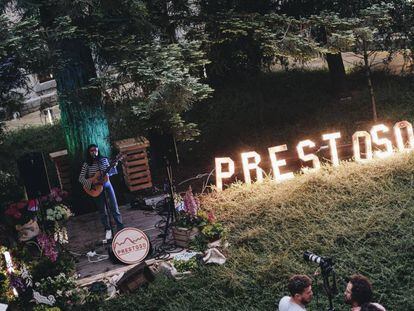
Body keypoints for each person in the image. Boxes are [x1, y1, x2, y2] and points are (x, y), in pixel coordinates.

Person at [79, 144, 124, 240]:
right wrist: (91, 183)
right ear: (88, 152)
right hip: (96, 188)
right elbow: (81, 178)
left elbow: (111, 172)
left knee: (114, 206)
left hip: (107, 184)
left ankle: (120, 227)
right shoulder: (87, 164)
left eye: (95, 150)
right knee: (102, 210)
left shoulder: (104, 159)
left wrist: (113, 166)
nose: (94, 152)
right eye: (91, 150)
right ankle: (107, 229)